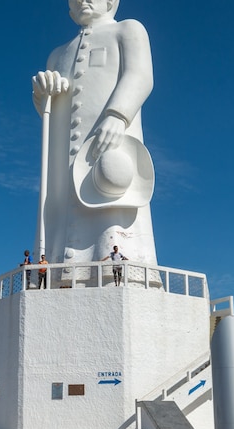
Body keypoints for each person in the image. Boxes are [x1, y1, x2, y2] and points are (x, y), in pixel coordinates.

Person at [32, 0, 158, 273]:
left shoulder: (128, 29)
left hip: (110, 142)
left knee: (111, 208)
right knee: (61, 209)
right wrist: (42, 96)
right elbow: (49, 112)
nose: (82, 0)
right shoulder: (57, 55)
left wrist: (118, 114)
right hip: (65, 160)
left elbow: (140, 75)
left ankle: (124, 268)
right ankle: (56, 268)